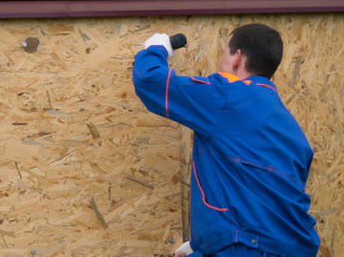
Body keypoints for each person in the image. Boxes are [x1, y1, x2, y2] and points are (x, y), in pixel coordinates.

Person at [132, 23, 320, 257]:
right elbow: (255, 193)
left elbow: (149, 79)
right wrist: (202, 244)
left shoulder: (227, 95)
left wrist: (156, 49)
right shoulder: (292, 129)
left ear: (237, 58)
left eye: (223, 53)